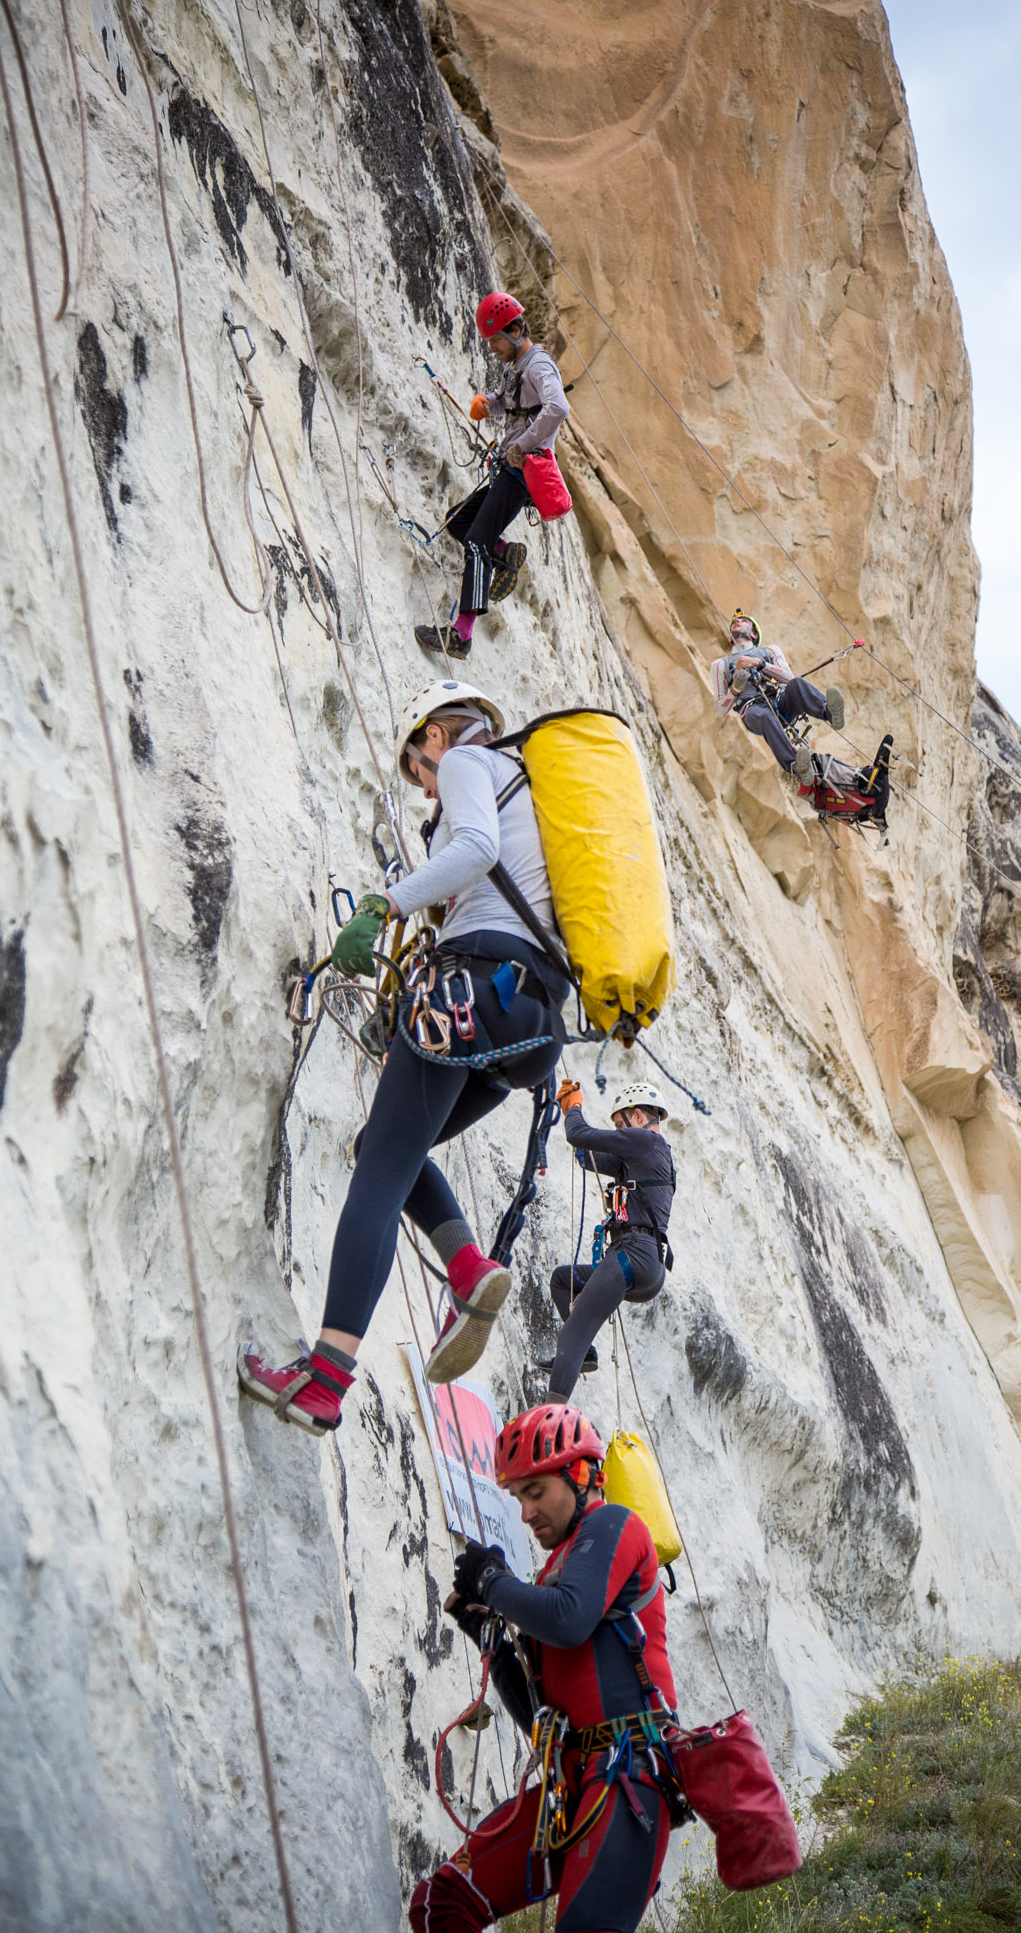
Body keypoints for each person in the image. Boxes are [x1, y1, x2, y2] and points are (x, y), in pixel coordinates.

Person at [238, 683, 570, 1433]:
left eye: (416, 768)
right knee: (385, 1146)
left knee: (382, 1169)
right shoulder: (538, 796)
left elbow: (475, 848)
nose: (423, 787)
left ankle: (324, 1375)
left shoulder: (469, 760)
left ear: (433, 736)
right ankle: (467, 1268)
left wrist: (383, 904)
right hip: (532, 1023)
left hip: (475, 986)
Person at [410, 1404, 679, 1933]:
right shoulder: (556, 1569)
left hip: (628, 1778)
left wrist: (493, 1583)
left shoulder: (614, 1525)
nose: (526, 1512)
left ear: (581, 1476)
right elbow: (542, 1720)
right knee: (442, 1900)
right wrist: (488, 1633)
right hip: (573, 1784)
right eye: (517, 1498)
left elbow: (571, 1620)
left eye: (535, 1492)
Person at [415, 292, 570, 662]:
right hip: (510, 466)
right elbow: (506, 401)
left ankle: (461, 635)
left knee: (475, 542)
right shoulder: (515, 366)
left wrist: (525, 444)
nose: (492, 348)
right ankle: (505, 553)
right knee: (459, 521)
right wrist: (487, 404)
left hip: (522, 472)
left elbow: (558, 407)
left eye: (496, 340)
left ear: (516, 330)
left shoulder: (538, 366)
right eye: (489, 342)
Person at [538, 1080, 675, 1400]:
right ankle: (583, 1355)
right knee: (563, 1280)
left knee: (573, 1333)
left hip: (633, 1254)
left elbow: (578, 1135)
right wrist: (569, 1113)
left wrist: (573, 1106)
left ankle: (551, 1418)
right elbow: (586, 1155)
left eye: (620, 1125)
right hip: (647, 1265)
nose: (619, 1132)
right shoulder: (647, 1156)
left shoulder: (645, 1141)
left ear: (638, 1116)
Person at [710, 611, 845, 776]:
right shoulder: (720, 665)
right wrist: (735, 689)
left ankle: (829, 712)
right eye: (735, 620)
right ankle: (796, 765)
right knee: (765, 716)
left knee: (797, 684)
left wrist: (760, 664)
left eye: (743, 620)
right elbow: (721, 709)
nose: (737, 620)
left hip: (780, 701)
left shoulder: (769, 651)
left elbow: (788, 678)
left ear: (753, 633)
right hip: (752, 710)